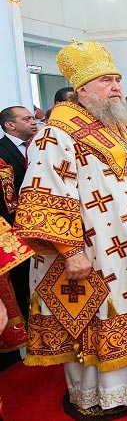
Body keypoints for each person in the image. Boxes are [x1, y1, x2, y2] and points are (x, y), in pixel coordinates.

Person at [13, 40, 127, 409]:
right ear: (82, 89)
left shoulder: (117, 127)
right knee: (106, 310)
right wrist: (71, 252)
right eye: (106, 80)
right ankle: (109, 391)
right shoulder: (57, 132)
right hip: (99, 247)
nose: (116, 87)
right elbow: (47, 192)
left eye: (118, 79)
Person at [0, 105, 37, 365]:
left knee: (29, 283)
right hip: (12, 232)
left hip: (31, 229)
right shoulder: (1, 152)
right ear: (9, 125)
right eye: (26, 119)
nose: (33, 122)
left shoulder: (36, 145)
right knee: (18, 286)